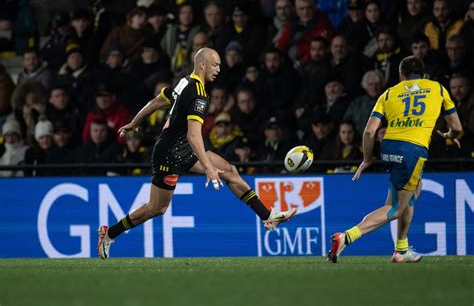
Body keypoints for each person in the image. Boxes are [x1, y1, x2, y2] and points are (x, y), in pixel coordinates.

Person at [97, 48, 297, 259]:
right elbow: (194, 136)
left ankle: (268, 216)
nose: (219, 69)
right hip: (169, 155)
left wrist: (133, 122)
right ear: (202, 65)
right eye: (215, 64)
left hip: (183, 148)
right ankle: (109, 234)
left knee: (229, 170)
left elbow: (157, 101)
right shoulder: (199, 95)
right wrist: (209, 168)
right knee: (156, 208)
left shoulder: (184, 82)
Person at [327, 56, 463, 263]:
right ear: (423, 74)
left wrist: (366, 159)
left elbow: (369, 131)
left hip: (389, 147)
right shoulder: (437, 88)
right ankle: (346, 237)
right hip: (413, 150)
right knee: (394, 208)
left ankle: (401, 249)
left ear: (401, 76)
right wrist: (450, 136)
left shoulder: (389, 93)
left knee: (413, 190)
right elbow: (457, 127)